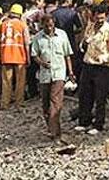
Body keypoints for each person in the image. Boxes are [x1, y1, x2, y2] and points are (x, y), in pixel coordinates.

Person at [75, 4, 109, 135]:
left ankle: (98, 124)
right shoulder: (90, 27)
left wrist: (103, 58)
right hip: (88, 65)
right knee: (85, 94)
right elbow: (82, 45)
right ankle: (84, 121)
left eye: (102, 18)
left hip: (101, 68)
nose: (99, 20)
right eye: (97, 17)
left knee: (100, 97)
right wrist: (84, 44)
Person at [32, 14, 75, 142]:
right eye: (46, 26)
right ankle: (51, 128)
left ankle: (57, 134)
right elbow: (34, 55)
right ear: (42, 25)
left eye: (51, 25)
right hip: (45, 75)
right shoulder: (37, 38)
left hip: (59, 73)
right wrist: (42, 63)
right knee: (46, 105)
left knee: (55, 103)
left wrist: (71, 72)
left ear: (54, 24)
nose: (49, 28)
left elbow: (67, 54)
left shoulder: (62, 35)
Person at [0, 3, 31, 109]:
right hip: (19, 55)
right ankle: (19, 102)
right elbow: (27, 43)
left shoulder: (3, 24)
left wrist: (0, 56)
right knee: (20, 80)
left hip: (6, 55)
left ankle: (5, 103)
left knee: (6, 81)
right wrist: (28, 57)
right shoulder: (22, 25)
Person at [52, 0, 82, 77]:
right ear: (68, 0)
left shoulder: (53, 13)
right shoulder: (73, 13)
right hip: (70, 41)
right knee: (72, 64)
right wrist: (73, 32)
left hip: (56, 42)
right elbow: (80, 27)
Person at [23, 0, 43, 99]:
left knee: (30, 69)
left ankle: (32, 90)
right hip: (38, 41)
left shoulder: (23, 15)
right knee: (41, 65)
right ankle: (42, 89)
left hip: (27, 42)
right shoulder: (39, 13)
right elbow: (42, 27)